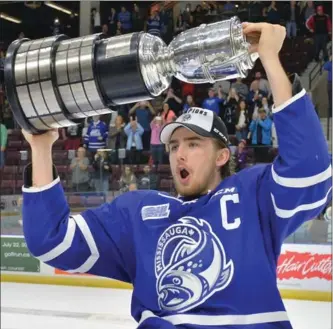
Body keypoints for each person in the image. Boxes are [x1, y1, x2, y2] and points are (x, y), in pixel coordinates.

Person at [21, 23, 332, 329]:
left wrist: (270, 59)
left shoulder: (253, 195)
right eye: (173, 146)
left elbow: (311, 171)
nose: (179, 154)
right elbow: (51, 240)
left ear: (222, 156)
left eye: (194, 144)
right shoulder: (137, 215)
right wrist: (41, 146)